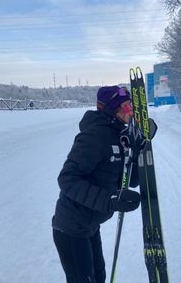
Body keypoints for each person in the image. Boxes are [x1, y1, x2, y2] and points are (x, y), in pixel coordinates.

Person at [52, 85, 143, 283]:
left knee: (98, 278)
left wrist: (137, 154)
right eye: (127, 106)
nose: (132, 111)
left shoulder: (119, 136)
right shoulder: (94, 136)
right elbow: (67, 178)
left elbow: (130, 179)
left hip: (90, 225)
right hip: (71, 227)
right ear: (113, 109)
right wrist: (109, 200)